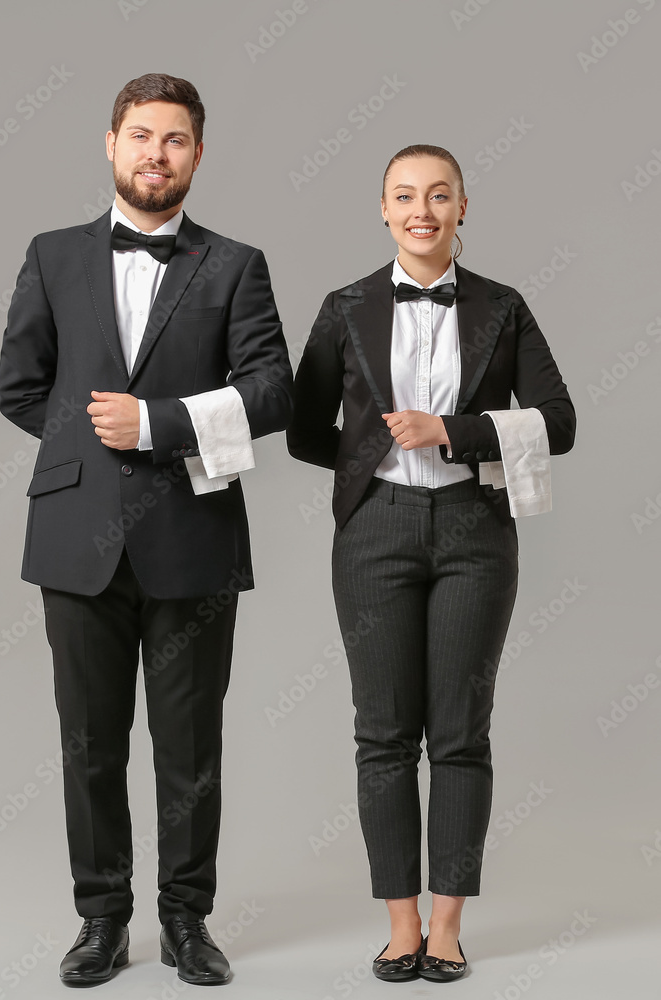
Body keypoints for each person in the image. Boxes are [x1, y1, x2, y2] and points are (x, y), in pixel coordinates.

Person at [0, 73, 292, 987]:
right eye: (139, 135)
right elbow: (19, 387)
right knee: (87, 742)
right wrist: (89, 454)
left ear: (197, 155)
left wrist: (158, 426)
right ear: (111, 144)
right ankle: (100, 920)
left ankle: (188, 920)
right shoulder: (53, 254)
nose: (155, 154)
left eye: (173, 139)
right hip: (74, 541)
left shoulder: (235, 264)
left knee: (189, 744)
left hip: (192, 538)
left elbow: (274, 391)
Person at [287, 144, 575, 983]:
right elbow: (307, 431)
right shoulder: (345, 306)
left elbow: (557, 420)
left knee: (459, 732)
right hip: (373, 532)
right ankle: (399, 926)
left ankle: (447, 926)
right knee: (382, 734)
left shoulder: (502, 305)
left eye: (439, 195)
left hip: (474, 533)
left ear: (462, 207)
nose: (422, 209)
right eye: (405, 196)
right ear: (383, 209)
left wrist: (453, 431)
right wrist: (375, 452)